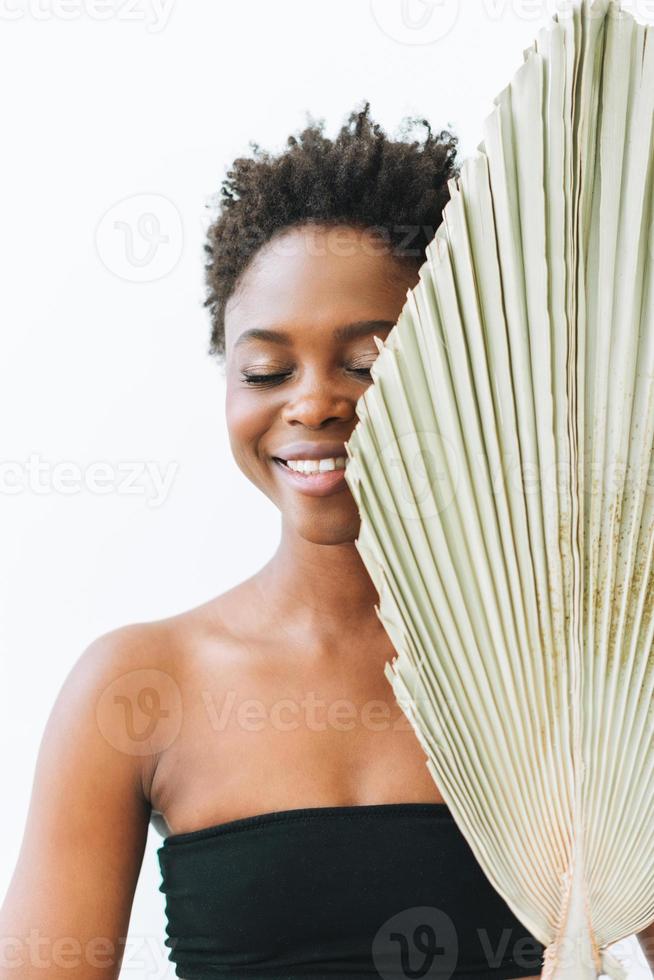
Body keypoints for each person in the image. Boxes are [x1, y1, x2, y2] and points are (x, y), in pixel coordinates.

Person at [0, 102, 554, 980]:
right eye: (267, 370)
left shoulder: (561, 673)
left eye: (366, 361)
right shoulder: (140, 688)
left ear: (464, 365)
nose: (314, 403)